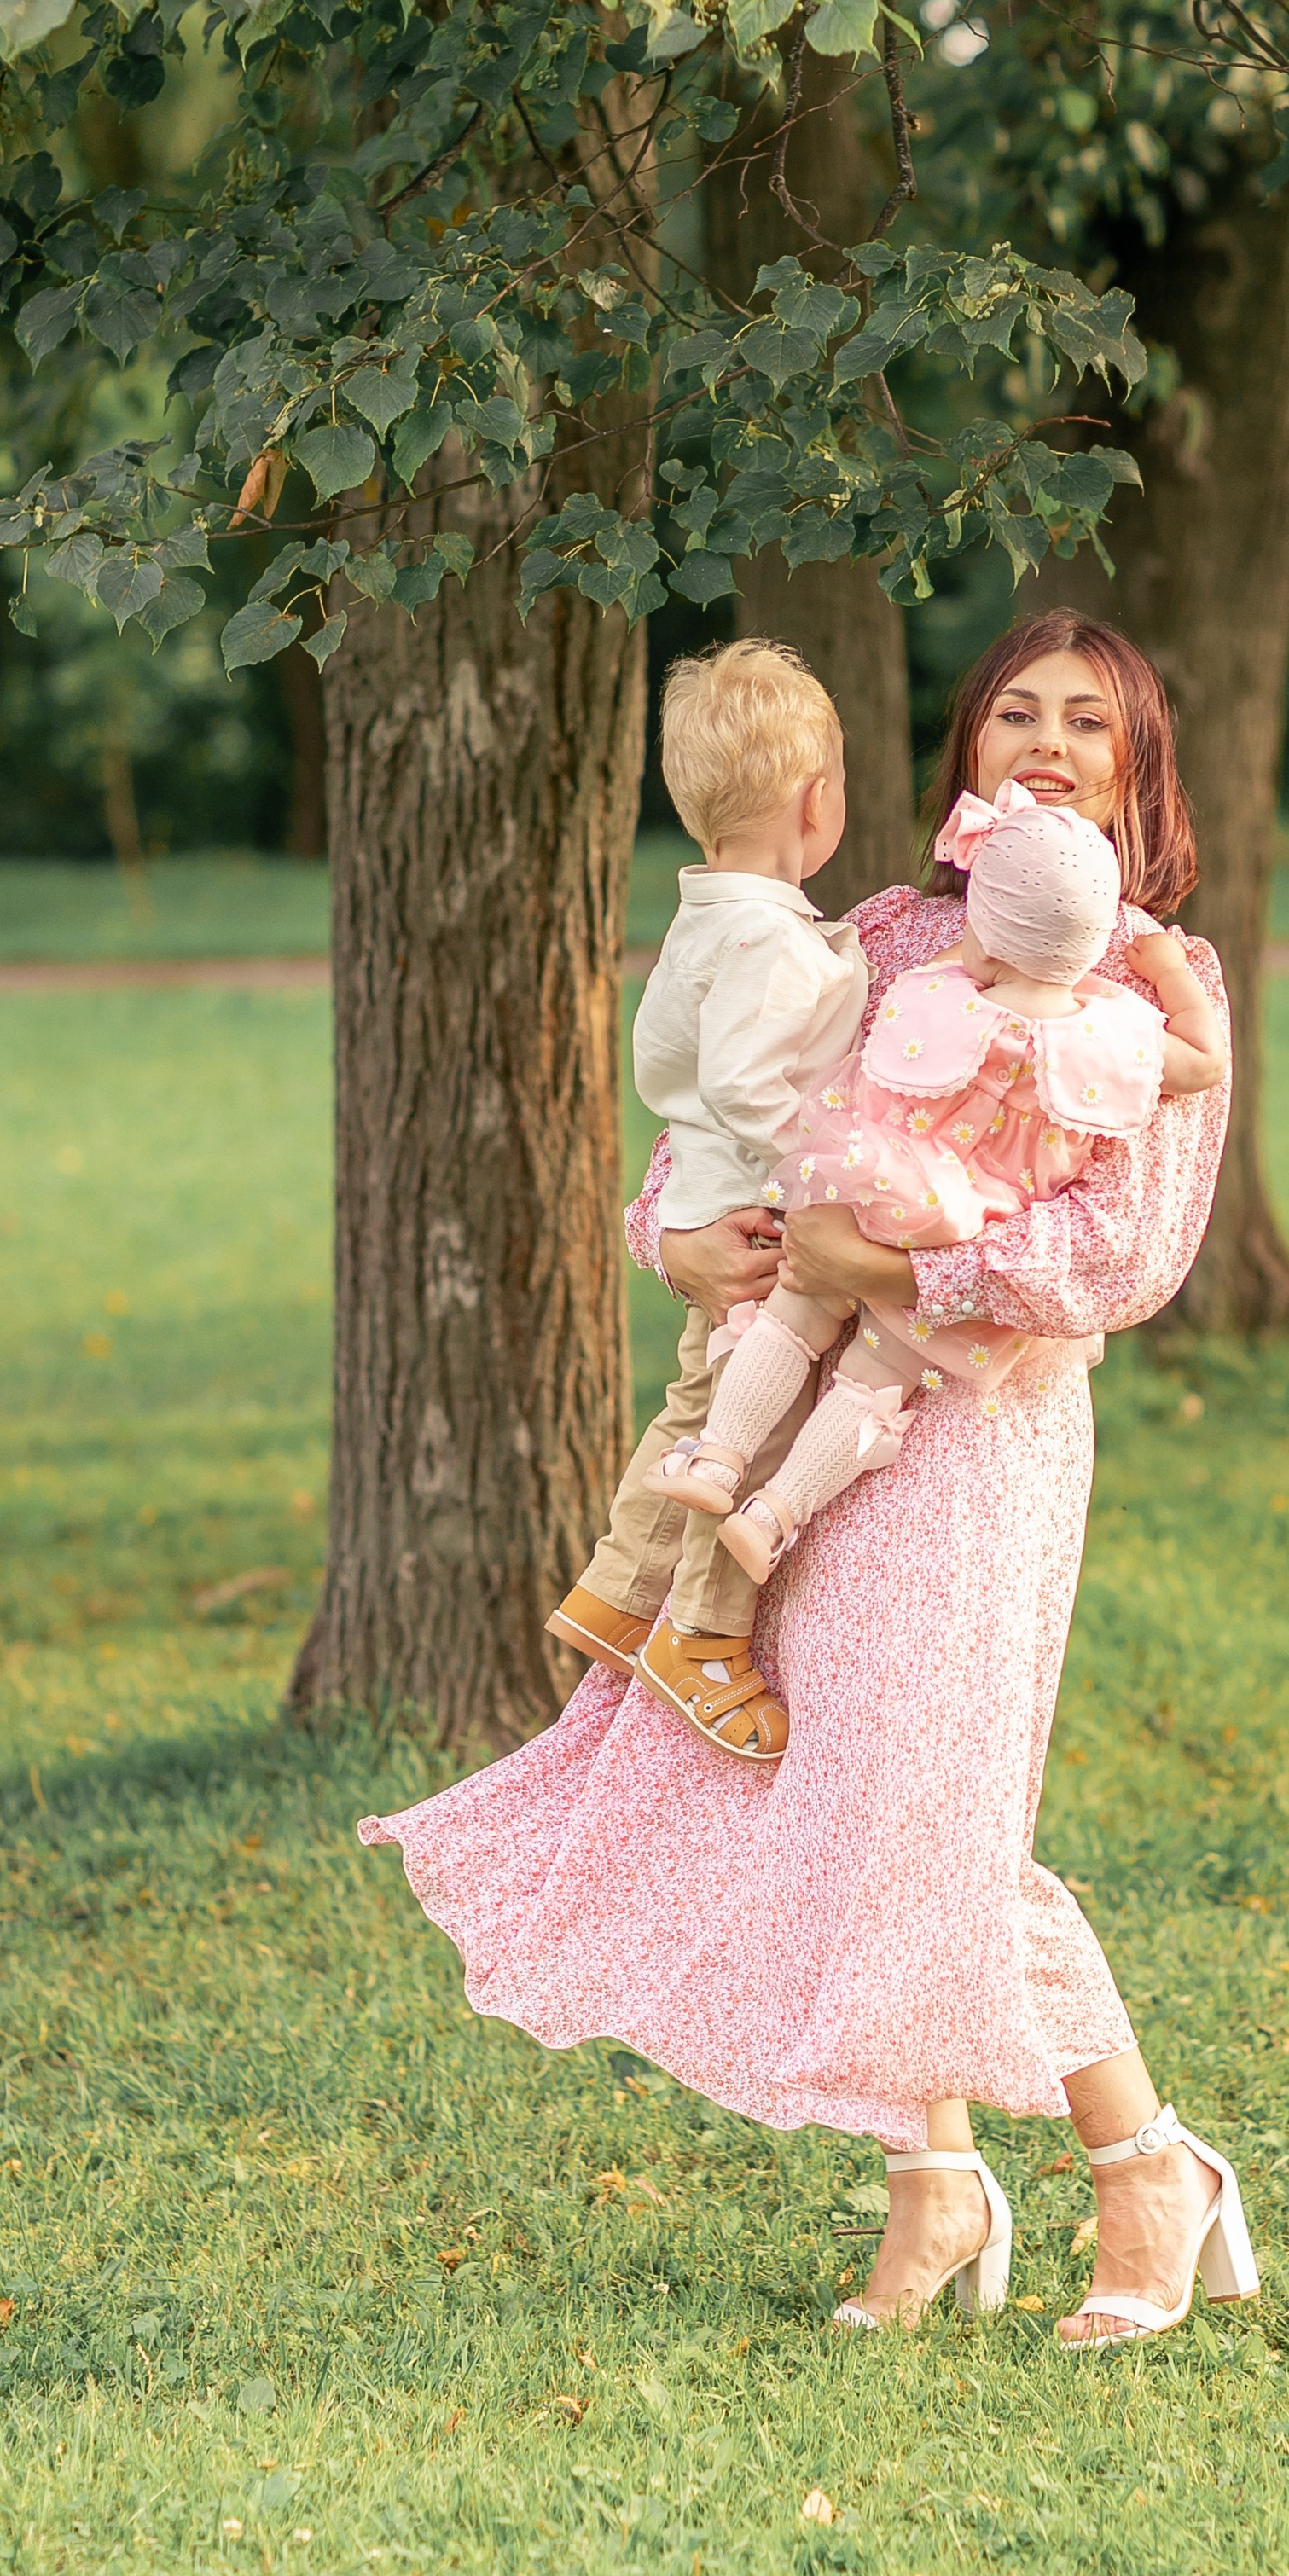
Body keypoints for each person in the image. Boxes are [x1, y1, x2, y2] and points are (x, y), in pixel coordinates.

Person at [361, 609, 1255, 2346]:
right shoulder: (886, 935)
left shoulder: (1154, 982)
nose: (1048, 742)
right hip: (804, 1433)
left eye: (1089, 721)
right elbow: (752, 1130)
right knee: (853, 1795)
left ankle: (1148, 2168)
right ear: (966, 756)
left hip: (976, 1432)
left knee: (934, 1816)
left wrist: (902, 1278)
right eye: (1017, 714)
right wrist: (677, 1241)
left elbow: (1125, 1250)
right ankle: (933, 2189)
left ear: (1138, 771)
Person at [653, 775, 1227, 1595]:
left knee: (794, 1315)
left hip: (877, 1194)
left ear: (985, 931)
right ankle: (771, 1517)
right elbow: (1203, 1062)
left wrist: (977, 953)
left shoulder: (934, 990)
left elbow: (871, 1066)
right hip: (962, 1232)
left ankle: (717, 1458)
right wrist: (1167, 971)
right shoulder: (1120, 1038)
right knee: (875, 1380)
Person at [543, 639, 866, 1761]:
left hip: (714, 1200)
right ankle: (702, 1634)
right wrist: (817, 1170)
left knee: (694, 1414)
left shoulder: (703, 920)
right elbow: (740, 1081)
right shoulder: (770, 942)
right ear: (813, 801)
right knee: (750, 1434)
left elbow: (669, 1065)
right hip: (762, 1229)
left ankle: (616, 1591)